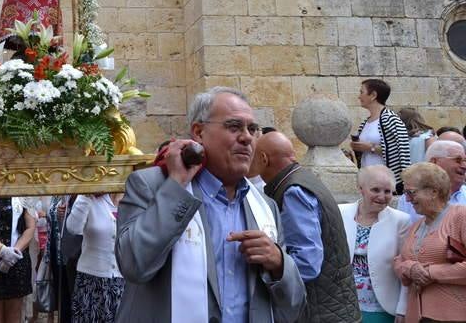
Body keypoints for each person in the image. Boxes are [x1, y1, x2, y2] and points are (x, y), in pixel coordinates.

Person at [115, 86, 305, 323]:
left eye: (252, 129)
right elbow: (134, 265)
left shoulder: (265, 206)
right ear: (198, 132)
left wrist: (278, 263)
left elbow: (294, 303)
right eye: (234, 127)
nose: (247, 137)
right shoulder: (152, 185)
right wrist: (175, 187)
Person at [251, 131, 359, 322]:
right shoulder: (302, 180)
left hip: (320, 313)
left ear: (263, 158)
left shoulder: (294, 192)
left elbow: (307, 264)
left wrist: (269, 266)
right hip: (334, 308)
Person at [393, 162, 466, 322]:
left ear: (433, 192)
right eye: (405, 193)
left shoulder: (461, 216)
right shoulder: (416, 226)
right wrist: (410, 268)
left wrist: (431, 273)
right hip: (416, 315)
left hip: (454, 316)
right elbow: (399, 261)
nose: (407, 199)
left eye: (411, 192)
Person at [339, 165, 412, 322]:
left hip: (382, 307)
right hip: (343, 305)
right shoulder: (340, 213)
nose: (382, 196)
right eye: (375, 190)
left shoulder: (401, 221)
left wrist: (403, 308)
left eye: (387, 191)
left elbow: (406, 267)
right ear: (361, 188)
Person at [65, 194, 124, 323]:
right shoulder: (90, 197)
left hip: (123, 284)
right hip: (90, 283)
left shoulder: (133, 198)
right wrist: (87, 194)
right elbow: (73, 228)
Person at [351, 79, 410, 193]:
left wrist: (370, 148)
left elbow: (402, 151)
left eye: (361, 92)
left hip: (387, 183)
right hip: (368, 180)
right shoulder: (365, 122)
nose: (359, 96)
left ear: (373, 95)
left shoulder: (392, 119)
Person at [0, 197, 36, 323]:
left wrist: (14, 252)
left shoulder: (22, 194)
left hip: (16, 261)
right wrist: (1, 250)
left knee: (14, 313)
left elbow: (30, 227)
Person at [396, 140, 466, 222]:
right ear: (434, 162)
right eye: (458, 160)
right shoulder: (409, 197)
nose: (464, 166)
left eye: (465, 161)